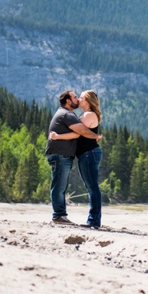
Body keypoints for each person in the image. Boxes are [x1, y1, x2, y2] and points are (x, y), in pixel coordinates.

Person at [45, 90, 102, 225]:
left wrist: (58, 137)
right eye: (76, 97)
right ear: (69, 101)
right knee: (90, 187)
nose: (78, 99)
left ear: (87, 101)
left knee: (92, 187)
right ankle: (90, 219)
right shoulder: (78, 115)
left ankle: (93, 221)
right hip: (86, 154)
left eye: (80, 97)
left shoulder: (87, 115)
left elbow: (78, 133)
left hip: (89, 153)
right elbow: (78, 132)